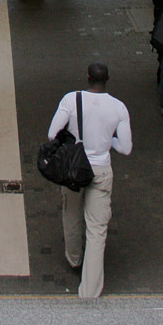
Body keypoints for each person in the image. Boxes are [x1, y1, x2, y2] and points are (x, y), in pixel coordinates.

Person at [47, 62, 132, 298]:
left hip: (75, 168)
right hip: (101, 170)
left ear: (87, 78)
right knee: (97, 229)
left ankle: (74, 258)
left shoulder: (70, 100)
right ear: (107, 79)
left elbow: (52, 134)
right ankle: (90, 291)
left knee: (71, 215)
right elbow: (126, 148)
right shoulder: (119, 108)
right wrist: (109, 141)